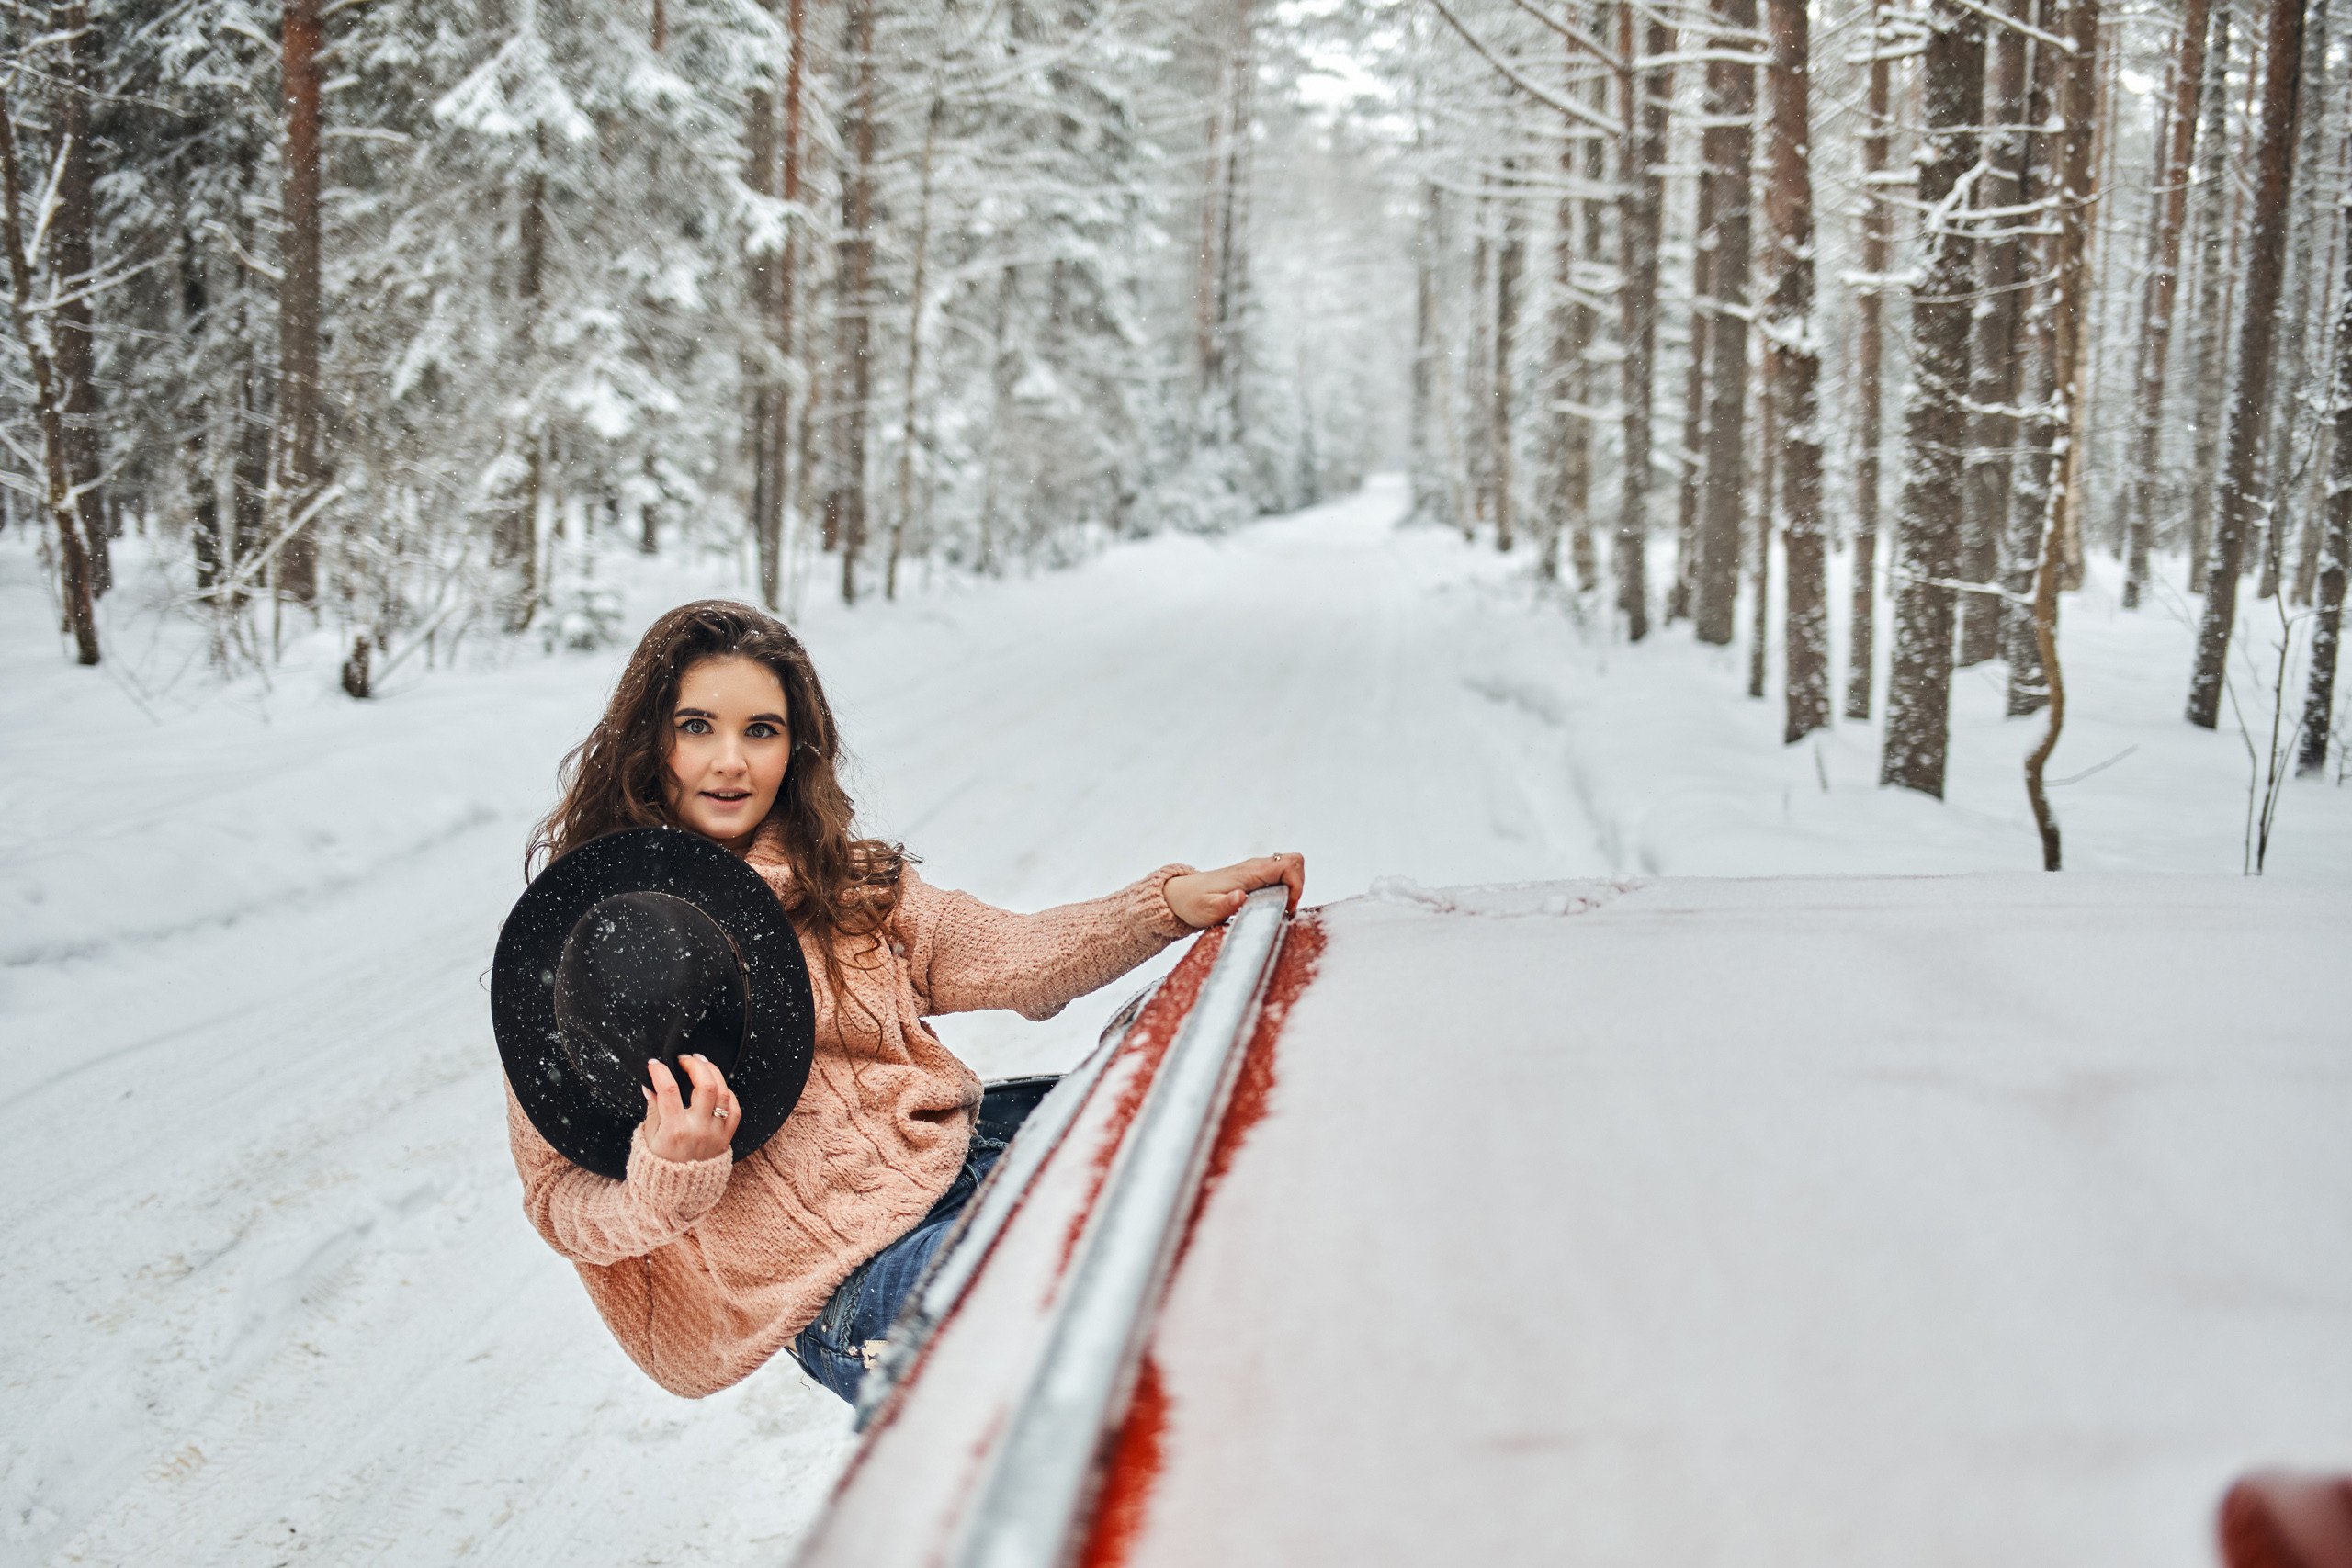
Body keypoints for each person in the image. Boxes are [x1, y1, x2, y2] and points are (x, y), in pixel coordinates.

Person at [501, 599, 1303, 1405]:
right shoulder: (588, 950)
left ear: (795, 746)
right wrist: (664, 1179)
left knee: (1220, 1128)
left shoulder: (842, 882)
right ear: (650, 739)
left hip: (969, 1156)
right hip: (861, 1279)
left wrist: (1166, 904)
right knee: (1061, 1307)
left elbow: (1014, 955)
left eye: (761, 730)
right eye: (697, 726)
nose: (731, 762)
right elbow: (557, 1199)